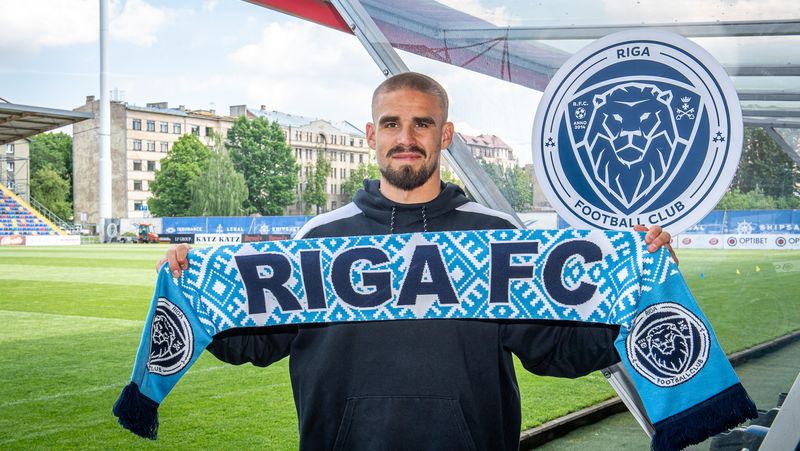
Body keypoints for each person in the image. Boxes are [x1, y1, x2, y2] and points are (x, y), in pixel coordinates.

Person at [159, 72, 675, 450]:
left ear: (444, 136)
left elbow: (556, 348)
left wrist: (634, 287)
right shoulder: (318, 238)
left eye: (422, 124)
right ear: (372, 135)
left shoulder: (495, 236)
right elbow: (255, 341)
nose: (406, 139)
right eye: (392, 124)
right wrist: (194, 289)